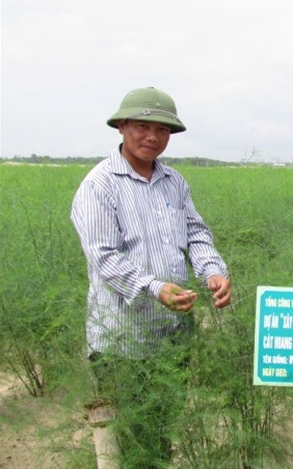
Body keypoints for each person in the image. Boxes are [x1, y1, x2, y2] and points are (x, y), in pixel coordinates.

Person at [71, 86, 231, 468]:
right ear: (122, 126)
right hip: (122, 340)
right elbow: (104, 256)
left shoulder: (174, 182)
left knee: (161, 428)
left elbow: (196, 234)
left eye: (162, 130)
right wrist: (155, 288)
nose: (152, 137)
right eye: (142, 126)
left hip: (172, 335)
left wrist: (213, 271)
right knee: (130, 435)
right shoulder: (100, 185)